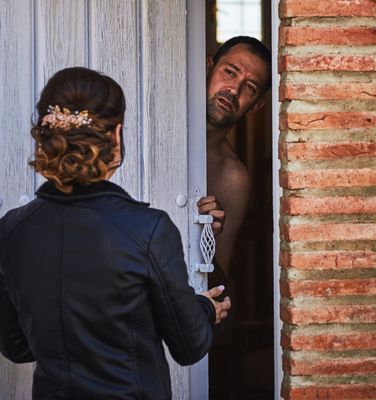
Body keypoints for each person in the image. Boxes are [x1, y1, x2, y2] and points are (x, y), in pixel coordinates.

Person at [0, 67, 231, 399]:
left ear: (47, 139)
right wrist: (205, 309)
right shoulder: (148, 230)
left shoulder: (10, 231)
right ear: (116, 137)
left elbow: (17, 346)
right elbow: (189, 346)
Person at [197, 36, 271, 279]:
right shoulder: (151, 131)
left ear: (256, 107)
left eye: (249, 87)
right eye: (230, 72)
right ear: (208, 67)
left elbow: (220, 283)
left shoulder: (233, 177)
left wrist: (207, 237)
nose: (234, 90)